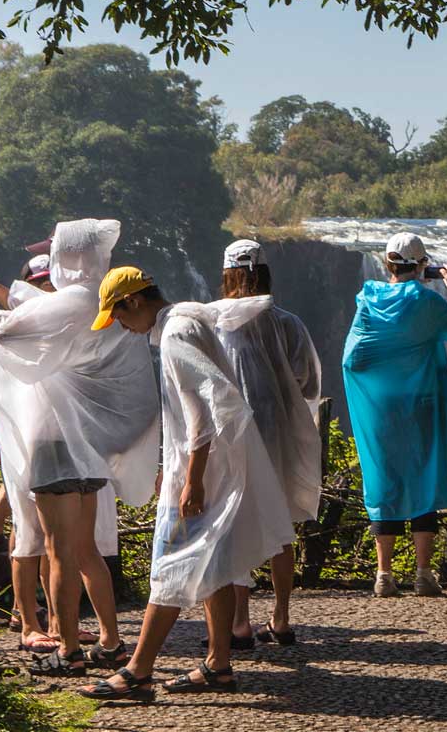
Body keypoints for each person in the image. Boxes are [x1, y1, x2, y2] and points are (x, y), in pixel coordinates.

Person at [0, 220, 160, 676]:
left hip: (54, 444)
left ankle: (69, 652)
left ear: (63, 257)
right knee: (86, 551)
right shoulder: (102, 301)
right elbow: (33, 304)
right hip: (91, 446)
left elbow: (8, 330)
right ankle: (111, 641)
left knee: (60, 553)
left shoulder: (70, 303)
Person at [79, 267, 294, 702]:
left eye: (119, 316)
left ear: (135, 302)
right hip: (211, 466)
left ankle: (138, 671)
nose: (122, 326)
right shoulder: (190, 319)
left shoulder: (176, 336)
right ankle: (218, 664)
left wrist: (190, 479)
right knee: (215, 564)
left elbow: (203, 411)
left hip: (202, 473)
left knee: (170, 566)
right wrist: (173, 463)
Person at [341, 233, 447, 598]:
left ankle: (383, 574)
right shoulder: (425, 300)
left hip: (380, 407)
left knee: (385, 479)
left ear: (387, 266)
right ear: (421, 266)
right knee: (423, 478)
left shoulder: (368, 300)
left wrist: (377, 384)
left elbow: (353, 357)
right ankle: (423, 573)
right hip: (420, 403)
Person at [216, 239, 322, 647]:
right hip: (278, 433)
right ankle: (280, 618)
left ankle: (239, 621)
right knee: (280, 529)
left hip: (233, 436)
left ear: (226, 275)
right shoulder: (287, 323)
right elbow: (309, 381)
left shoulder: (217, 323)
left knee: (235, 524)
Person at [0, 255, 56, 556]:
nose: (49, 288)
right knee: (24, 473)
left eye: (52, 282)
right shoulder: (32, 318)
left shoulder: (38, 313)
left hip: (5, 397)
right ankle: (28, 593)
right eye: (42, 284)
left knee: (21, 471)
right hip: (11, 401)